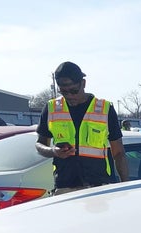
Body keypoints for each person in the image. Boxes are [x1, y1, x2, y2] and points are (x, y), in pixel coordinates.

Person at [36, 61, 129, 195]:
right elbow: (40, 145)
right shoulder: (51, 108)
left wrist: (125, 187)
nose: (69, 96)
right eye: (64, 91)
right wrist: (53, 151)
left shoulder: (104, 109)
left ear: (83, 84)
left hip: (100, 186)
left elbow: (118, 153)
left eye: (73, 90)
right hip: (65, 186)